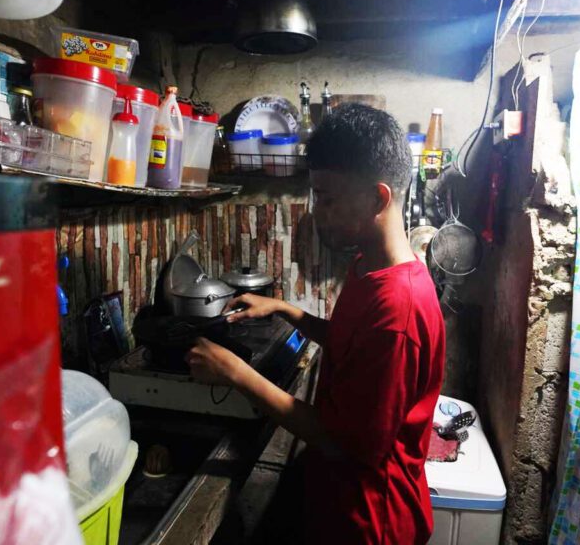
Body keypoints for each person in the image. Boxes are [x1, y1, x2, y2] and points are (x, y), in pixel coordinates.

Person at [186, 103, 446, 544]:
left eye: (327, 197)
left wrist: (236, 373)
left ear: (378, 199)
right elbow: (353, 348)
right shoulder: (369, 267)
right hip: (340, 505)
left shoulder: (398, 310)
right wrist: (289, 312)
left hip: (370, 523)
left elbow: (343, 442)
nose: (317, 211)